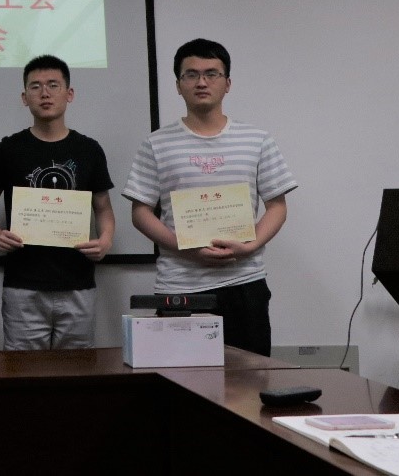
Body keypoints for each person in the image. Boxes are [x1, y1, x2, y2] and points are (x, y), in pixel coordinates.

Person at [122, 38, 297, 357]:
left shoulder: (257, 140)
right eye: (191, 74)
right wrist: (186, 247)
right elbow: (140, 212)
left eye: (211, 73)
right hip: (180, 285)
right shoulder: (156, 143)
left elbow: (277, 207)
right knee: (182, 381)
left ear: (227, 83)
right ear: (178, 85)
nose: (201, 82)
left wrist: (250, 246)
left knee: (251, 379)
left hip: (245, 282)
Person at [0, 54, 115, 350]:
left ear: (69, 93)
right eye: (36, 87)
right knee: (24, 372)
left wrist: (105, 240)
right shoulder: (8, 149)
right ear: (24, 97)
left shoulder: (89, 150)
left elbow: (103, 208)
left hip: (77, 283)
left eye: (53, 85)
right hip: (23, 285)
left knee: (77, 371)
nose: (45, 93)